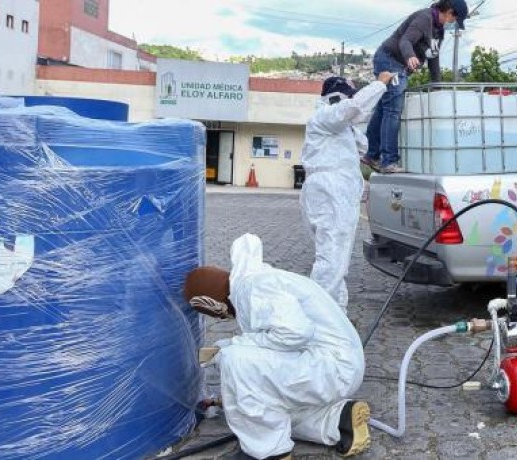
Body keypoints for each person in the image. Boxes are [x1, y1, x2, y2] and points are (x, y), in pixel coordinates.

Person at [184, 234, 371, 460]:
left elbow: (296, 332)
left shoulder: (253, 287)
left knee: (237, 360)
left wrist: (234, 346)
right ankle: (339, 420)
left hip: (331, 366)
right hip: (335, 364)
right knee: (272, 410)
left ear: (212, 304)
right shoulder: (261, 280)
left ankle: (267, 453)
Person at [300, 71, 393, 310]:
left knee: (335, 259)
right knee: (332, 260)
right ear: (337, 97)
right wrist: (379, 84)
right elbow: (353, 108)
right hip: (331, 193)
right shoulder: (325, 116)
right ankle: (321, 320)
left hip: (334, 194)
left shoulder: (340, 129)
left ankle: (335, 315)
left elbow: (363, 143)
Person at [363, 0, 469, 174]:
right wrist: (410, 56)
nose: (452, 23)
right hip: (389, 59)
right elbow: (405, 41)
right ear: (449, 11)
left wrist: (437, 88)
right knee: (393, 109)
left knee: (384, 108)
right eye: (453, 19)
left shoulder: (438, 31)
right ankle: (388, 160)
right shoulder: (424, 18)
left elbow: (433, 59)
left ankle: (371, 154)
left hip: (399, 64)